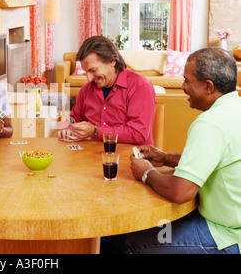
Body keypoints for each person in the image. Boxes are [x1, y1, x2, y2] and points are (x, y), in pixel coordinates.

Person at [127, 47, 241, 253]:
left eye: (187, 80)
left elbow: (181, 191)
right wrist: (165, 157)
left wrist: (146, 172)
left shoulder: (210, 123)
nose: (183, 86)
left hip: (226, 235)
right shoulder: (235, 108)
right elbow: (215, 159)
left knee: (130, 240)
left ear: (208, 86)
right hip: (232, 224)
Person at [58, 36, 156, 145]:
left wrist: (95, 131)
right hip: (93, 156)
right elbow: (73, 118)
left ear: (112, 61)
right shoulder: (86, 90)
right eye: (86, 72)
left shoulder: (140, 86)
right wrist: (66, 129)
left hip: (133, 157)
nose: (89, 78)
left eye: (93, 70)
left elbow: (138, 133)